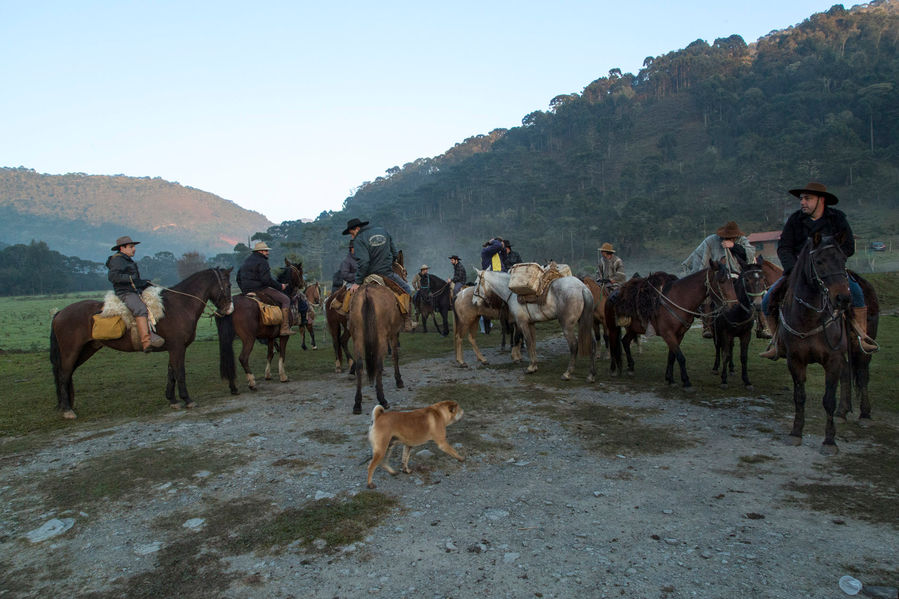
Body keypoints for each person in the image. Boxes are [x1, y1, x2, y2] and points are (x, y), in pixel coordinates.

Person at [759, 182, 877, 358]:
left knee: (857, 293)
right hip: (799, 272)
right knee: (768, 299)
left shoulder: (837, 218)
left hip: (830, 271)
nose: (802, 202)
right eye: (801, 199)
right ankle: (777, 343)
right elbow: (784, 247)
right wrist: (793, 269)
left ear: (820, 200)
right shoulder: (795, 220)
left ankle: (859, 338)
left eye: (807, 199)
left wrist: (833, 261)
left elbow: (849, 246)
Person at [682, 221, 757, 338]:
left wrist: (733, 246)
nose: (729, 238)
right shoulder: (711, 241)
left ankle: (762, 326)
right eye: (727, 237)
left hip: (737, 276)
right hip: (717, 275)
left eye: (732, 237)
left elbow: (749, 254)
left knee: (756, 291)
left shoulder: (742, 240)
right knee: (706, 295)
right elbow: (701, 257)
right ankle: (707, 326)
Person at [343, 217, 416, 332]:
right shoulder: (383, 231)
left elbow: (364, 262)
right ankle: (407, 320)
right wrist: (387, 261)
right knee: (407, 289)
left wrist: (357, 282)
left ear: (356, 229)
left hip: (368, 274)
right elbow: (395, 254)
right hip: (387, 274)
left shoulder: (359, 239)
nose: (352, 236)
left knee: (348, 292)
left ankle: (349, 319)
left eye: (351, 233)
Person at [106, 235, 164, 352]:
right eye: (131, 247)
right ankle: (146, 342)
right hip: (125, 293)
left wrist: (143, 283)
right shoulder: (117, 260)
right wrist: (132, 279)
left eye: (133, 247)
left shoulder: (125, 259)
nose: (134, 249)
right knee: (140, 309)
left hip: (133, 290)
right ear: (122, 248)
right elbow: (113, 276)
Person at [237, 241, 294, 336]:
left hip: (247, 291)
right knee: (286, 299)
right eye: (266, 251)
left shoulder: (246, 261)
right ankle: (285, 328)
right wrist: (280, 286)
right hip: (261, 289)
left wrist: (244, 290)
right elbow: (266, 280)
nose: (268, 253)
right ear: (260, 251)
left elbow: (238, 278)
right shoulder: (263, 262)